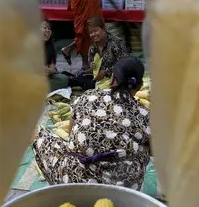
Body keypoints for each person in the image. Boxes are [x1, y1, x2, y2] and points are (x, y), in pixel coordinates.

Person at [33, 57, 151, 189]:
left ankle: (62, 190)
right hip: (123, 189)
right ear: (139, 86)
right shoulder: (145, 115)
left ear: (112, 79)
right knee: (144, 146)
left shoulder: (87, 97)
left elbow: (71, 131)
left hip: (77, 182)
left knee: (42, 139)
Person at [87, 16, 130, 89]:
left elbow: (125, 64)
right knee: (81, 79)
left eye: (96, 31)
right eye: (91, 32)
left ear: (103, 29)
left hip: (117, 77)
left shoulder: (116, 43)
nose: (93, 34)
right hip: (100, 80)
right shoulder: (93, 48)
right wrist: (91, 66)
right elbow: (90, 65)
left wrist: (106, 72)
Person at [43, 20, 69, 92]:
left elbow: (52, 69)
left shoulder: (50, 48)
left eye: (49, 29)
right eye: (45, 28)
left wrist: (45, 69)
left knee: (63, 79)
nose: (48, 31)